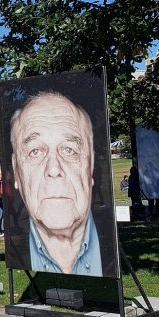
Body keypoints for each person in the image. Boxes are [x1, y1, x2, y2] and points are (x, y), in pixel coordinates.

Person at [9, 91, 101, 275]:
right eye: (35, 151)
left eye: (69, 150)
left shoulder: (111, 250)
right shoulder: (16, 252)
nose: (53, 169)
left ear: (90, 166)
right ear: (17, 171)